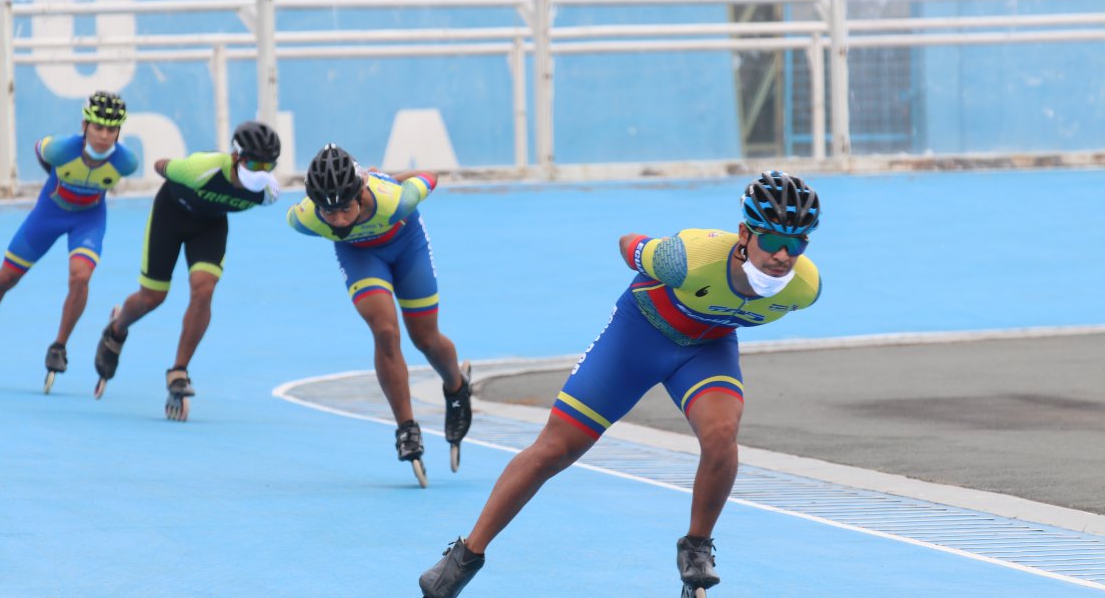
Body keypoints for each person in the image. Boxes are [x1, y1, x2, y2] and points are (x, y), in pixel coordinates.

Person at [419, 170, 823, 598]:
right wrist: (647, 251)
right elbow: (627, 242)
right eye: (772, 241)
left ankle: (696, 549)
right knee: (555, 449)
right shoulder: (685, 258)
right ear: (744, 233)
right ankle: (465, 556)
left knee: (723, 433)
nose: (782, 254)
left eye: (795, 244)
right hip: (638, 336)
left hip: (706, 348)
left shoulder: (804, 288)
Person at [287, 144, 471, 487]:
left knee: (425, 339)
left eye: (345, 208)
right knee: (385, 332)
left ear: (360, 193)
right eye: (329, 212)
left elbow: (429, 176)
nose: (339, 220)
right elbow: (304, 214)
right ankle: (406, 429)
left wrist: (387, 179)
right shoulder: (305, 218)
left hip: (406, 246)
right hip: (361, 258)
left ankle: (457, 388)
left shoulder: (394, 200)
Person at [0, 91, 137, 393]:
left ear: (119, 131)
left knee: (80, 277)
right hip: (47, 215)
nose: (104, 136)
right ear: (84, 125)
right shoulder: (60, 149)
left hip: (88, 221)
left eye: (111, 129)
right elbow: (41, 152)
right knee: (6, 278)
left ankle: (59, 347)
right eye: (98, 128)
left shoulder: (127, 161)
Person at [92, 120, 282, 421]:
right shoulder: (200, 169)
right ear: (235, 156)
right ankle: (116, 330)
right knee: (152, 297)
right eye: (254, 163)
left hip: (210, 226)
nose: (261, 171)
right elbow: (159, 165)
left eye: (268, 165)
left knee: (204, 290)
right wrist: (175, 169)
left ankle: (179, 371)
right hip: (172, 214)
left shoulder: (268, 193)